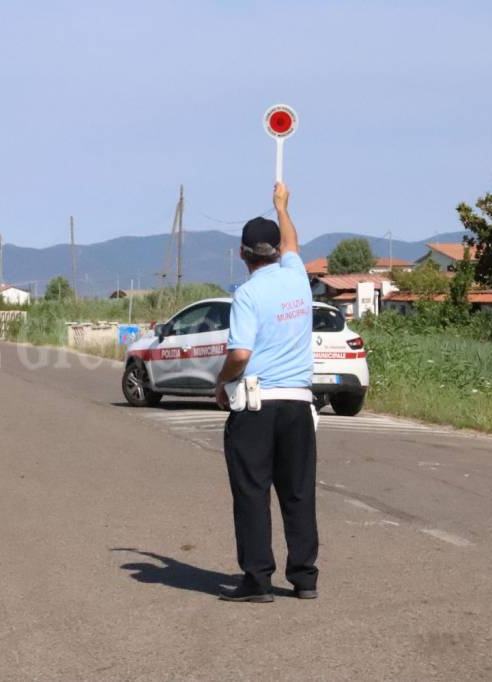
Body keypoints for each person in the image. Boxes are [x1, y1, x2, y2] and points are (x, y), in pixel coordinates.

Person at [213, 181, 318, 603]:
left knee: (253, 493)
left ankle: (257, 581)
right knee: (297, 492)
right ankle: (305, 577)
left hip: (257, 406)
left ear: (241, 253)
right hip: (299, 404)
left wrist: (221, 382)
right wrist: (282, 207)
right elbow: (292, 239)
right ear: (276, 251)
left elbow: (240, 353)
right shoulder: (297, 277)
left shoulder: (247, 295)